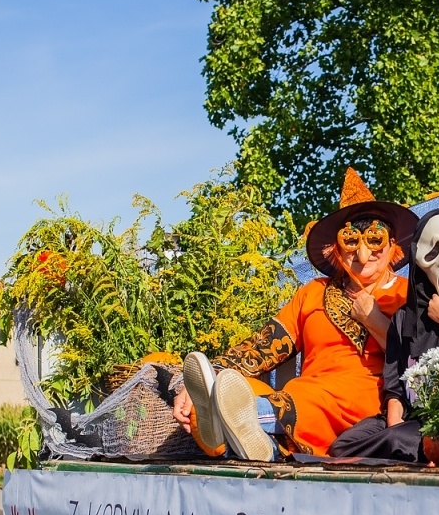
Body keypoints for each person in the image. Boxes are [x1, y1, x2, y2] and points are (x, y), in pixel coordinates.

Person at [173, 169, 415, 461]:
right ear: (337, 249)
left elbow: (419, 361)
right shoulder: (313, 292)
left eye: (375, 240)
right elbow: (263, 346)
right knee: (229, 389)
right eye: (351, 241)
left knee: (293, 399)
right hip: (301, 400)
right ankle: (263, 447)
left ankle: (228, 430)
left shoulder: (408, 294)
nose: (363, 254)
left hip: (363, 403)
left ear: (392, 247)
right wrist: (208, 375)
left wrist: (375, 320)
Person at [331, 209, 439, 462]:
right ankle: (403, 451)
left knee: (395, 442)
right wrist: (394, 422)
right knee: (343, 446)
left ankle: (405, 450)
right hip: (412, 420)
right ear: (417, 257)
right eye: (432, 251)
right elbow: (395, 385)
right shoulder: (404, 317)